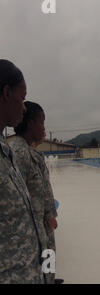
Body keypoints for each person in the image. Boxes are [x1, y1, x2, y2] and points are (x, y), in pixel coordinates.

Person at [0, 59, 44, 283]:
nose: (24, 107)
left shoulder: (4, 149)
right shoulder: (16, 150)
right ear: (6, 93)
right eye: (22, 97)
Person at [10, 101, 61, 284]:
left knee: (48, 258)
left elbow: (42, 189)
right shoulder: (18, 153)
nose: (44, 128)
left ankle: (50, 279)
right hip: (32, 228)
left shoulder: (29, 151)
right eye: (42, 122)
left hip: (43, 224)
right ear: (30, 123)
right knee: (41, 263)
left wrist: (49, 214)